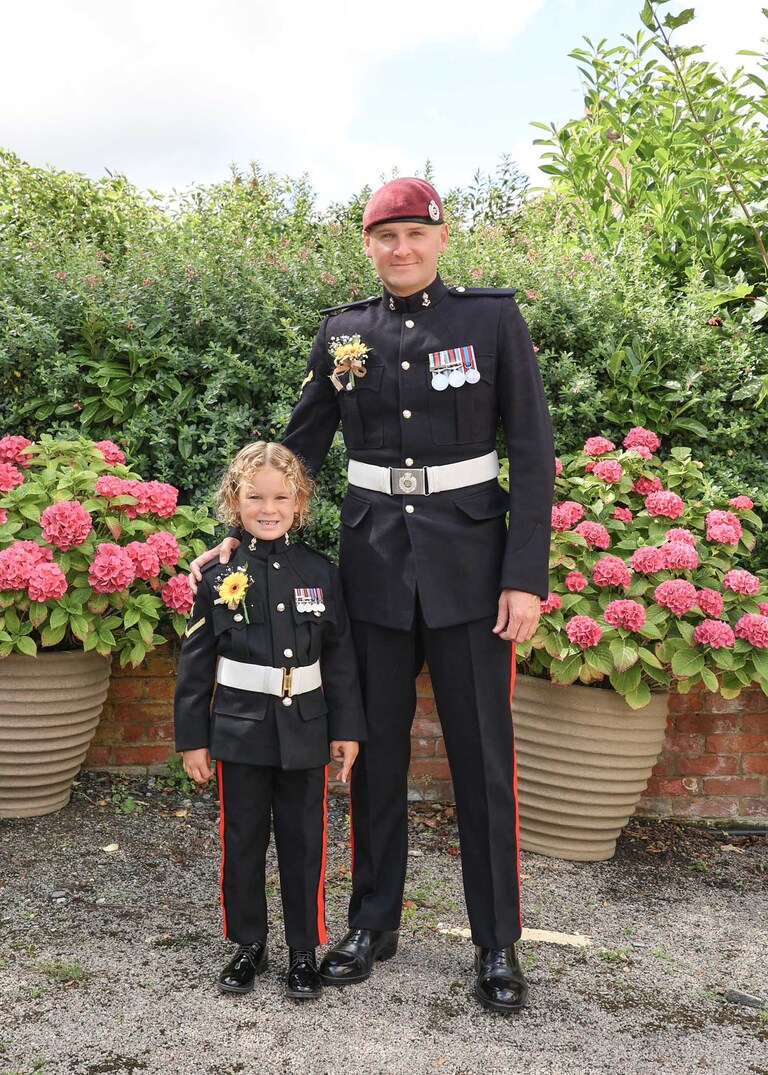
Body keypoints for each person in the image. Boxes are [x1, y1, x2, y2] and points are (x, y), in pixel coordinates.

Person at [190, 177, 555, 1013]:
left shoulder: (491, 319)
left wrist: (524, 576)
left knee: (483, 764)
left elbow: (532, 454)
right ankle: (372, 923)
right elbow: (301, 445)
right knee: (371, 757)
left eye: (413, 234)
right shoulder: (344, 330)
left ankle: (496, 942)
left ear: (441, 236)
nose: (400, 249)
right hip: (373, 575)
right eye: (384, 236)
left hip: (472, 571)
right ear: (368, 244)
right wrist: (244, 535)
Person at [176, 442, 365, 1001]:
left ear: (300, 501)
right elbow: (194, 665)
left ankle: (303, 951)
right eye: (254, 496)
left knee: (305, 843)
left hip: (306, 728)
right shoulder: (217, 574)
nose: (268, 507)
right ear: (234, 500)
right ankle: (248, 946)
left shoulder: (320, 572)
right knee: (243, 840)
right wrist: (193, 740)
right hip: (239, 730)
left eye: (281, 496)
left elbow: (341, 659)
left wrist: (346, 730)